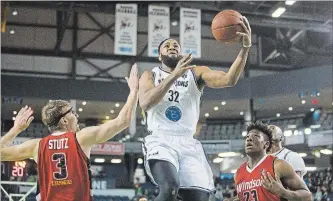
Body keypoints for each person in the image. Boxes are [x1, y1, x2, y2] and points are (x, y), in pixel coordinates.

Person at [139, 16, 252, 201]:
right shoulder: (150, 75)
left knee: (199, 197)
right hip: (160, 139)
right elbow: (145, 102)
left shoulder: (196, 72)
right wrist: (174, 76)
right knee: (169, 189)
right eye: (167, 46)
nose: (172, 47)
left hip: (188, 142)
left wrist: (245, 48)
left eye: (175, 45)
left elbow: (229, 80)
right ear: (160, 56)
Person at [0, 64, 139, 201]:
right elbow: (123, 121)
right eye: (72, 112)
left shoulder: (37, 146)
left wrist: (16, 129)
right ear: (64, 121)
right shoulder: (81, 138)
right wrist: (133, 91)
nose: (76, 115)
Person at [234, 121, 312, 201]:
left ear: (266, 144)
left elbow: (307, 196)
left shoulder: (280, 164)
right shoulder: (238, 173)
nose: (249, 139)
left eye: (256, 136)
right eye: (247, 137)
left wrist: (283, 192)